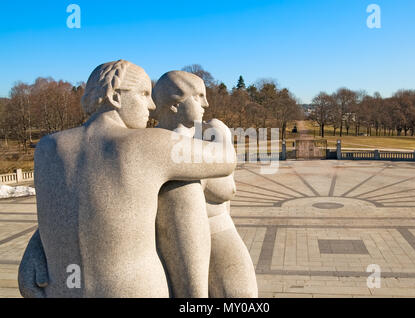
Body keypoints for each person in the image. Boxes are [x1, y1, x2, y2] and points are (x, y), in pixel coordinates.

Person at [18, 60, 236, 297]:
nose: (152, 105)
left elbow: (68, 207)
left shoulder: (47, 148)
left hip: (60, 290)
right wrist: (220, 132)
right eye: (144, 94)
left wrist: (33, 250)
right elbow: (225, 160)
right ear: (115, 97)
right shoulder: (147, 143)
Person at [153, 71, 257, 298]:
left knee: (241, 296)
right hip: (165, 245)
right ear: (174, 104)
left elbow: (227, 189)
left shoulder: (206, 135)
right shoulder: (150, 143)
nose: (206, 104)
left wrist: (221, 138)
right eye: (199, 96)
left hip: (218, 231)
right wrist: (221, 139)